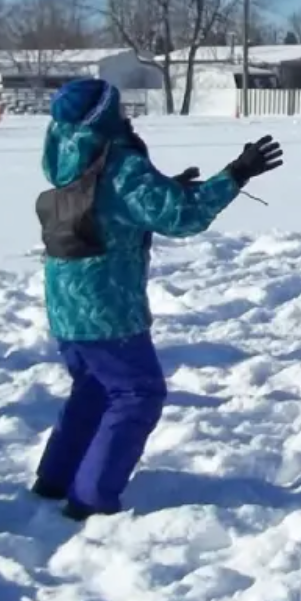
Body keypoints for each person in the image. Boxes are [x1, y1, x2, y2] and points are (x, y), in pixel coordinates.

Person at [31, 78, 283, 520]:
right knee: (136, 393)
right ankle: (90, 498)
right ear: (106, 114)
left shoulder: (67, 150)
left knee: (93, 388)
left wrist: (166, 185)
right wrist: (237, 173)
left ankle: (55, 477)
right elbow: (182, 217)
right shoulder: (122, 164)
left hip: (65, 300)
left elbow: (117, 203)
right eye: (118, 107)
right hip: (106, 305)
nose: (126, 112)